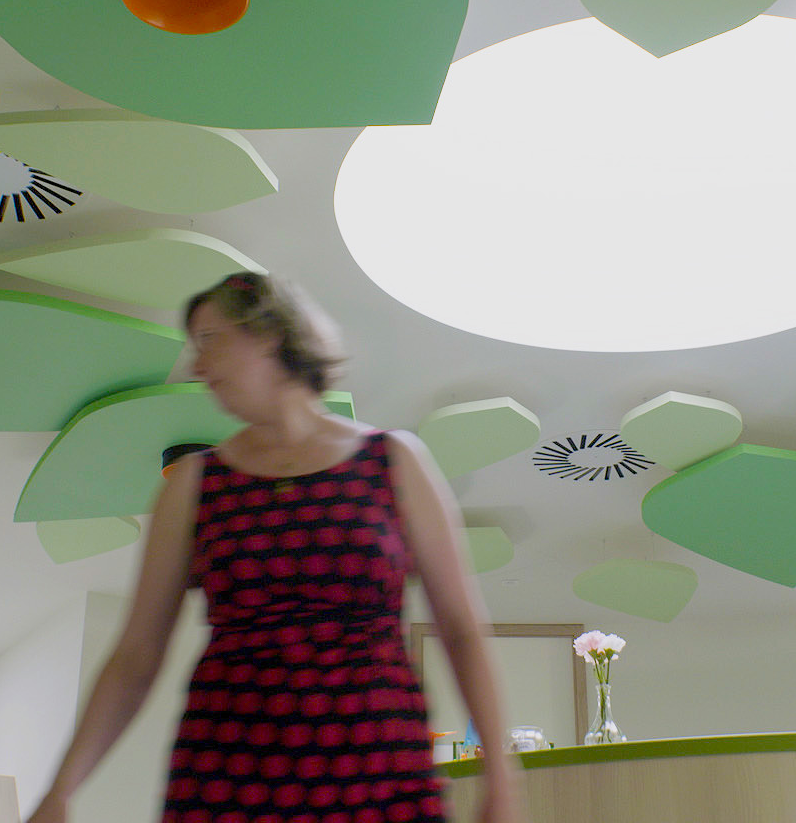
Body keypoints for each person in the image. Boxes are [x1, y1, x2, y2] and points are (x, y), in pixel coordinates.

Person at [26, 271, 524, 823]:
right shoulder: (195, 483)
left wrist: (501, 778)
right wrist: (61, 791)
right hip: (229, 774)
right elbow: (136, 657)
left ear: (266, 333)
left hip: (380, 771)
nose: (196, 366)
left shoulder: (395, 461)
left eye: (208, 340)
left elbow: (461, 631)